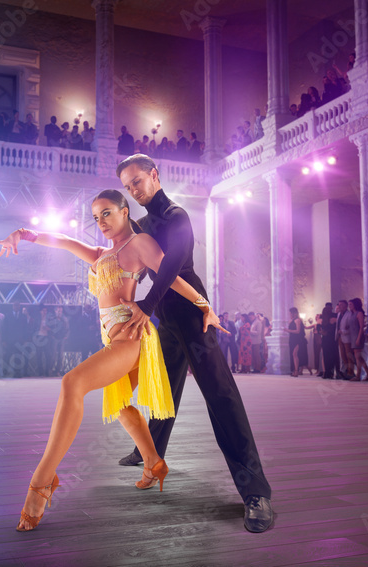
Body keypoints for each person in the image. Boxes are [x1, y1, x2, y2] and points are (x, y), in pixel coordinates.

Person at [0, 188, 224, 532]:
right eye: (96, 217)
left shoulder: (139, 245)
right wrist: (24, 234)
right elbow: (64, 241)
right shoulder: (100, 253)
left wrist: (205, 305)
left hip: (131, 338)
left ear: (126, 211)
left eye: (107, 213)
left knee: (73, 383)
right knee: (120, 406)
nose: (101, 222)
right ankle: (154, 463)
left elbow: (171, 276)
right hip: (112, 337)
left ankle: (42, 481)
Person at [110, 154, 273, 532]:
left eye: (137, 181)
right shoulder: (143, 224)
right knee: (164, 387)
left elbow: (172, 263)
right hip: (167, 317)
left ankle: (256, 493)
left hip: (192, 316)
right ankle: (148, 452)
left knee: (221, 397)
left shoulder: (178, 217)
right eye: (128, 186)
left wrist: (147, 305)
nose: (134, 190)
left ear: (154, 176)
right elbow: (128, 253)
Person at [287, 307, 305, 377]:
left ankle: (296, 371)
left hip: (297, 339)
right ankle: (294, 370)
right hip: (292, 339)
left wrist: (288, 330)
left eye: (290, 313)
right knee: (293, 355)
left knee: (295, 354)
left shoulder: (297, 320)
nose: (290, 314)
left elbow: (298, 331)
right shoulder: (291, 320)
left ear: (294, 313)